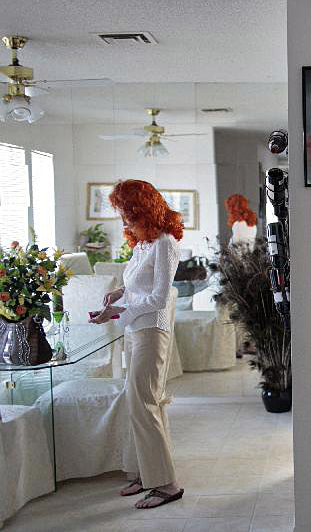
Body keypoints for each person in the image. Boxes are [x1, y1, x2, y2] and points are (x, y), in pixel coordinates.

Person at [89, 179, 184, 509]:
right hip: (134, 329)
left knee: (144, 401)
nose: (123, 220)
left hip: (150, 331)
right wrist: (118, 295)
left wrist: (118, 309)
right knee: (139, 401)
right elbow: (137, 288)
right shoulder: (142, 244)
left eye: (126, 212)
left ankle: (167, 484)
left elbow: (158, 298)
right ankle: (148, 473)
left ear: (143, 209)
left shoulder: (165, 243)